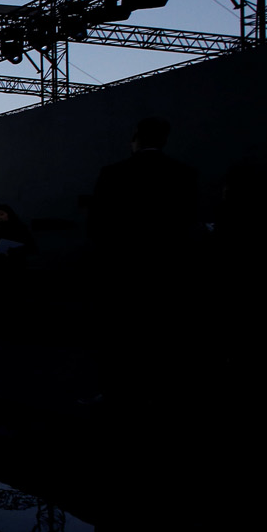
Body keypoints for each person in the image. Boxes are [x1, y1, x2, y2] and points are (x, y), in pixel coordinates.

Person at [86, 117, 198, 401]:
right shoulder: (184, 174)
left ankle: (116, 392)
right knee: (164, 334)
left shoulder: (113, 173)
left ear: (135, 138)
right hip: (168, 270)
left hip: (124, 270)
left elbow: (99, 224)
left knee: (121, 336)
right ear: (164, 139)